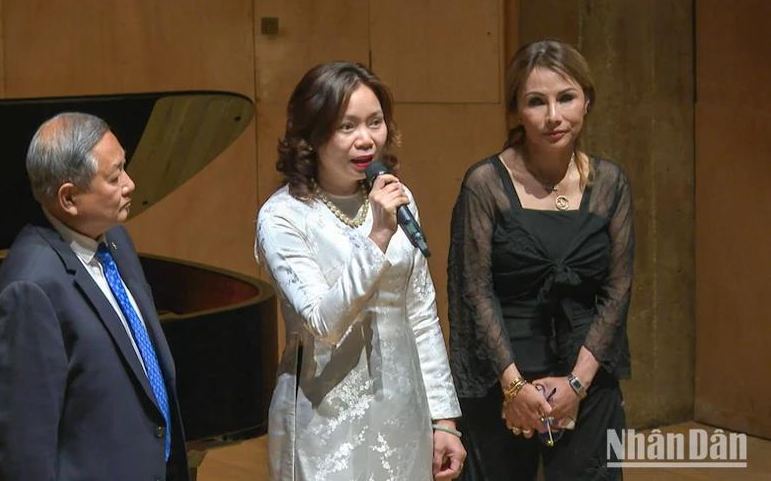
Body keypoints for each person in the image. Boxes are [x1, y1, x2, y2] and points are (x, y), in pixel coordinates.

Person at [256, 61, 465, 480]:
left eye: (375, 122)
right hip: (323, 417)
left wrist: (444, 419)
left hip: (402, 411)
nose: (366, 139)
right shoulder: (283, 217)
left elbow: (421, 314)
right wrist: (378, 237)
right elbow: (323, 323)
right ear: (312, 136)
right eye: (347, 126)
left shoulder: (395, 199)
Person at [448, 39, 634, 480]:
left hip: (586, 377)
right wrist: (514, 387)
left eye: (566, 98)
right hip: (502, 379)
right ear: (516, 111)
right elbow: (474, 291)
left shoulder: (611, 183)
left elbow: (618, 289)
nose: (553, 115)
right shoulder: (485, 184)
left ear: (587, 102)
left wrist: (576, 384)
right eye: (536, 101)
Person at [0, 112, 189, 481]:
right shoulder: (31, 289)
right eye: (114, 177)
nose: (130, 184)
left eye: (124, 167)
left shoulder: (115, 239)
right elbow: (23, 449)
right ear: (69, 198)